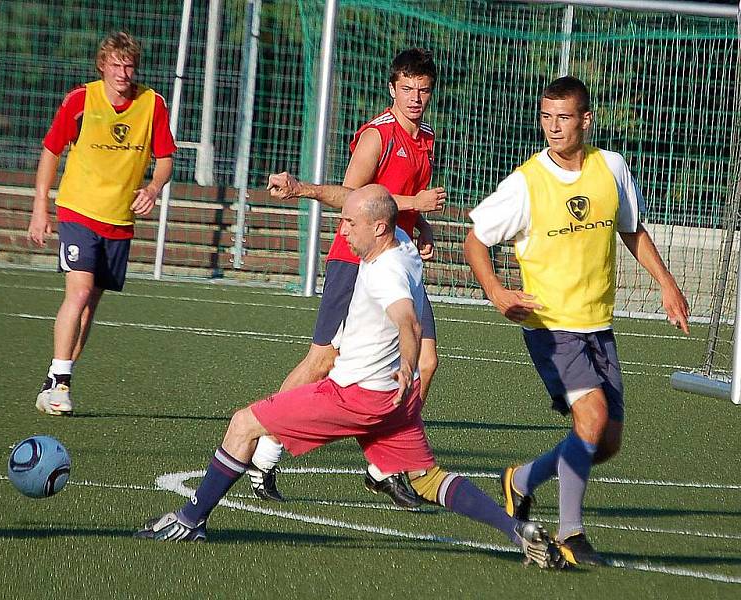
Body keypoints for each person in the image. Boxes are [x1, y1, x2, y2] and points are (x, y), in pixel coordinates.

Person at [135, 185, 566, 570]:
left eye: (349, 223)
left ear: (378, 227)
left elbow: (407, 322)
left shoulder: (386, 272)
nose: (342, 230)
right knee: (428, 478)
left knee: (243, 423)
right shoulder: (400, 243)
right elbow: (359, 200)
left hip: (356, 395)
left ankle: (191, 520)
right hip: (395, 401)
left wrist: (407, 362)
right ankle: (516, 531)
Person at [464, 76, 690, 566]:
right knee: (590, 419)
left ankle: (522, 480)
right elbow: (475, 238)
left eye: (563, 117)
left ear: (586, 119)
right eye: (546, 116)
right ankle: (571, 534)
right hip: (550, 326)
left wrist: (667, 284)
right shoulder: (526, 182)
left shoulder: (611, 168)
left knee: (604, 440)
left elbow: (632, 230)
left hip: (597, 325)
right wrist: (497, 292)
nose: (553, 127)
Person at [247, 48, 446, 506]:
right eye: (408, 89)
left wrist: (423, 228)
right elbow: (354, 198)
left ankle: (383, 465)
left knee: (426, 361)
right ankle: (265, 451)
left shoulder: (426, 136)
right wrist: (414, 206)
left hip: (397, 261)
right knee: (322, 362)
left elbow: (407, 200)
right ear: (392, 89)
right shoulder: (378, 135)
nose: (416, 97)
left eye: (424, 90)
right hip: (356, 262)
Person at [28, 31, 176, 415]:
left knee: (90, 306)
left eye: (129, 66)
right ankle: (60, 381)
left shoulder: (152, 104)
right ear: (102, 65)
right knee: (77, 293)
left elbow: (165, 158)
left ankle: (57, 378)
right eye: (115, 65)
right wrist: (40, 208)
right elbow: (50, 150)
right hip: (78, 211)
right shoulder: (81, 99)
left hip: (119, 220)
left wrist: (154, 187)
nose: (123, 73)